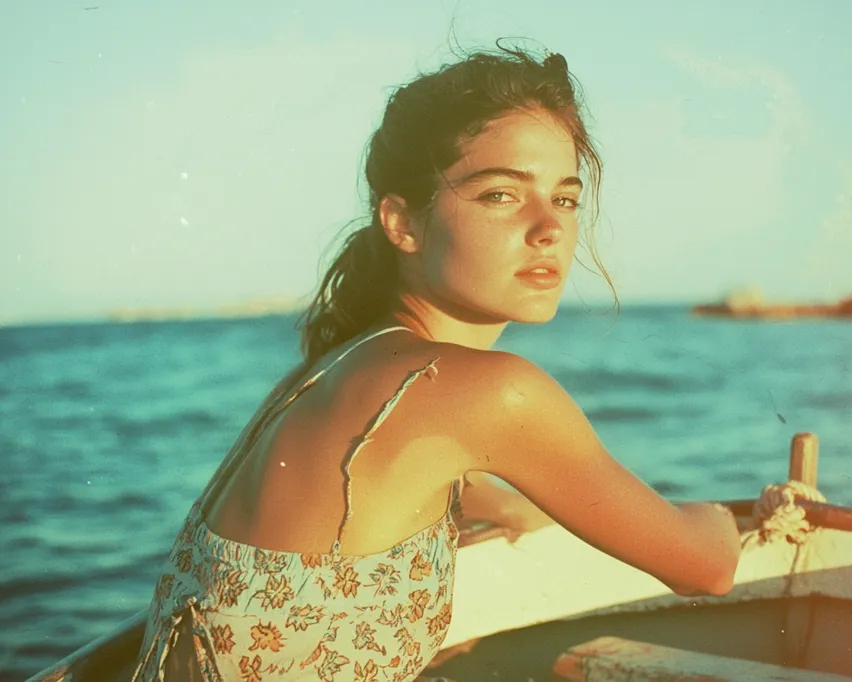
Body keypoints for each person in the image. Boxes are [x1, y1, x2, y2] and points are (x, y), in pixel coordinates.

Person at [131, 44, 741, 682]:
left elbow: (399, 469)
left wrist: (493, 500)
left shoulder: (340, 365)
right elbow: (707, 567)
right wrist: (724, 519)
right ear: (402, 222)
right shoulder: (491, 393)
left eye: (564, 198)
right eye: (502, 195)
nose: (549, 229)